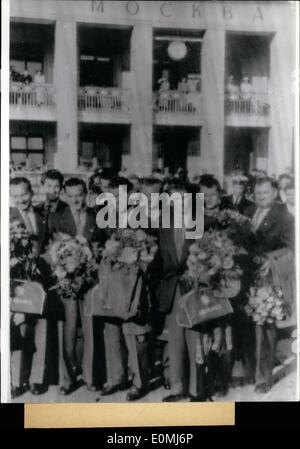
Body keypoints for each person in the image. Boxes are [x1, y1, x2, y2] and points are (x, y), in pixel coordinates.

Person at [48, 177, 106, 395]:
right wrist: (60, 270)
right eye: (71, 196)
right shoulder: (55, 218)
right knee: (69, 330)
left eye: (79, 195)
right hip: (67, 283)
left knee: (91, 330)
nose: (76, 200)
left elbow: (102, 248)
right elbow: (48, 249)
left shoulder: (96, 217)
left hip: (90, 282)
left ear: (86, 194)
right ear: (64, 195)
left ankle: (90, 376)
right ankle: (68, 378)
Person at [99, 177, 152, 401]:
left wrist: (137, 261)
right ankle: (116, 377)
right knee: (111, 331)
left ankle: (140, 381)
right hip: (111, 282)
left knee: (134, 331)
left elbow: (150, 248)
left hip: (134, 283)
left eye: (121, 195)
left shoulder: (142, 216)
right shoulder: (104, 217)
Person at [244, 176, 294, 393]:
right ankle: (249, 373)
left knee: (264, 328)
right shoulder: (247, 213)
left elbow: (292, 248)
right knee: (246, 327)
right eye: (258, 193)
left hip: (268, 280)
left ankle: (263, 377)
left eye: (265, 193)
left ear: (275, 192)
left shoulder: (285, 217)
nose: (261, 197)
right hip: (246, 276)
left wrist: (270, 260)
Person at [10, 177, 55, 396]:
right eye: (16, 195)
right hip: (19, 282)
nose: (21, 199)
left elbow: (49, 246)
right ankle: (18, 380)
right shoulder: (7, 216)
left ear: (32, 193)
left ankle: (37, 379)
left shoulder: (42, 216)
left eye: (24, 194)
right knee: (21, 329)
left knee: (41, 329)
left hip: (42, 281)